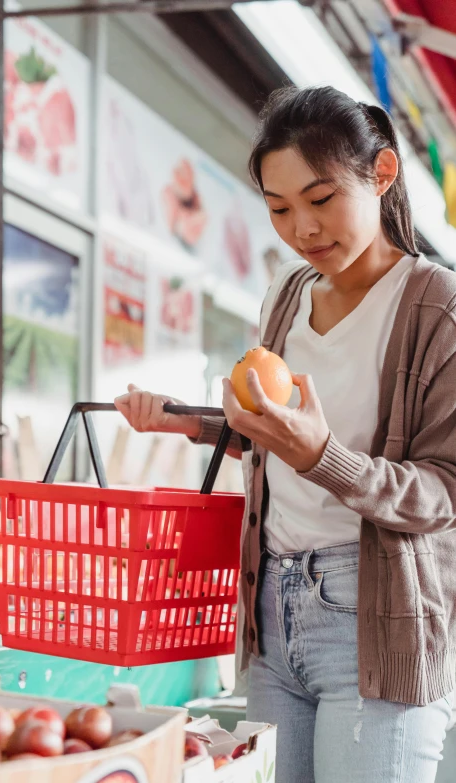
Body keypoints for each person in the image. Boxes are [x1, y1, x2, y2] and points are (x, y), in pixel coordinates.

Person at [114, 86, 456, 782]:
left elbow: (442, 491)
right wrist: (193, 421)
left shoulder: (436, 307)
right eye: (279, 208)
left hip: (374, 614)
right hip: (271, 606)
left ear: (382, 174)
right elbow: (276, 437)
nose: (302, 227)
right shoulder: (288, 293)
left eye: (322, 199)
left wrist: (323, 457)